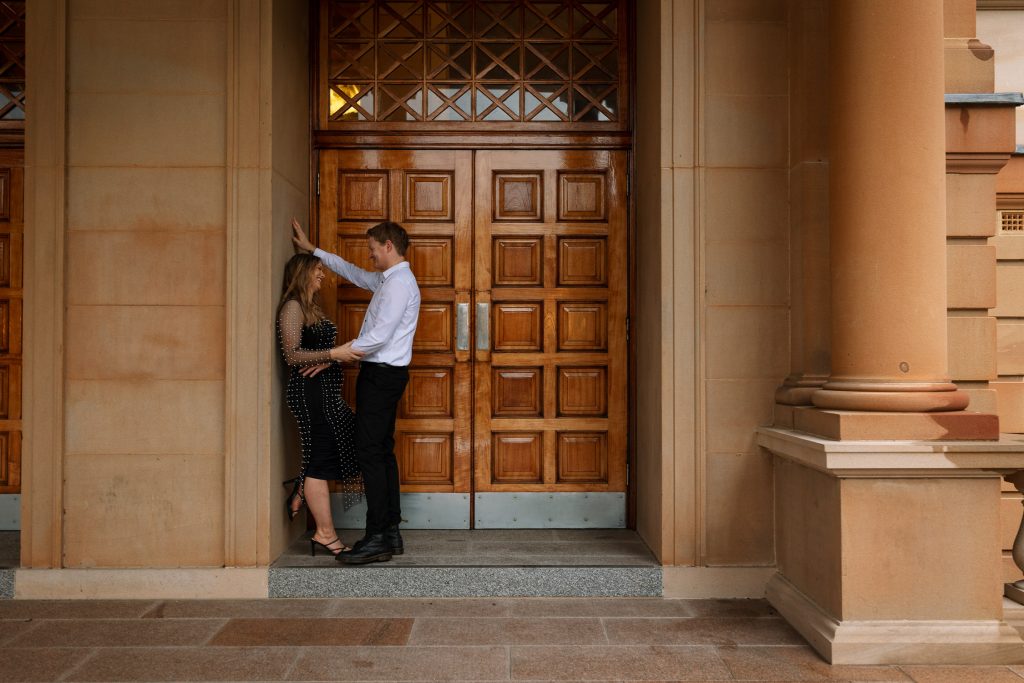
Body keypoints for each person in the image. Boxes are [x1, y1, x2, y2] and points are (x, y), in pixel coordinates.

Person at [291, 217, 420, 565]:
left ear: (388, 246)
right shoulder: (388, 279)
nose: (370, 255)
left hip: (381, 377)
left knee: (370, 454)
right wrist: (314, 250)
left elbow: (379, 336)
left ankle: (377, 537)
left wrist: (332, 356)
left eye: (373, 249)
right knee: (382, 452)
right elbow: (352, 272)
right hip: (383, 376)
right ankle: (390, 531)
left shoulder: (399, 284)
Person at [277, 253, 365, 557]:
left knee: (340, 441)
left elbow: (319, 351)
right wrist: (332, 355)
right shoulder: (292, 307)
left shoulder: (311, 307)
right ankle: (324, 533)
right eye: (317, 269)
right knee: (320, 457)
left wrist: (331, 357)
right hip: (309, 394)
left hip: (326, 393)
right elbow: (291, 355)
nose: (322, 275)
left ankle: (301, 488)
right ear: (302, 273)